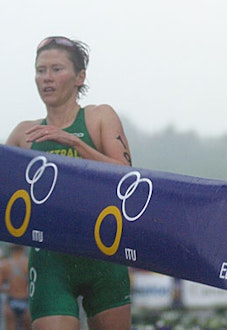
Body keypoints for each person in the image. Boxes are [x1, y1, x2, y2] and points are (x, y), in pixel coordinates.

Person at [6, 36, 133, 330]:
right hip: (51, 262)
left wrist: (75, 143)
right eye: (41, 70)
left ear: (80, 77)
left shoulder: (99, 117)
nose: (46, 78)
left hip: (103, 255)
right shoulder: (24, 134)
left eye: (56, 69)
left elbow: (128, 179)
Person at [0, 244, 31, 330]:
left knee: (10, 327)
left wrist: (8, 289)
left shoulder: (5, 265)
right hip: (26, 300)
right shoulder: (28, 263)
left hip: (11, 300)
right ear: (23, 248)